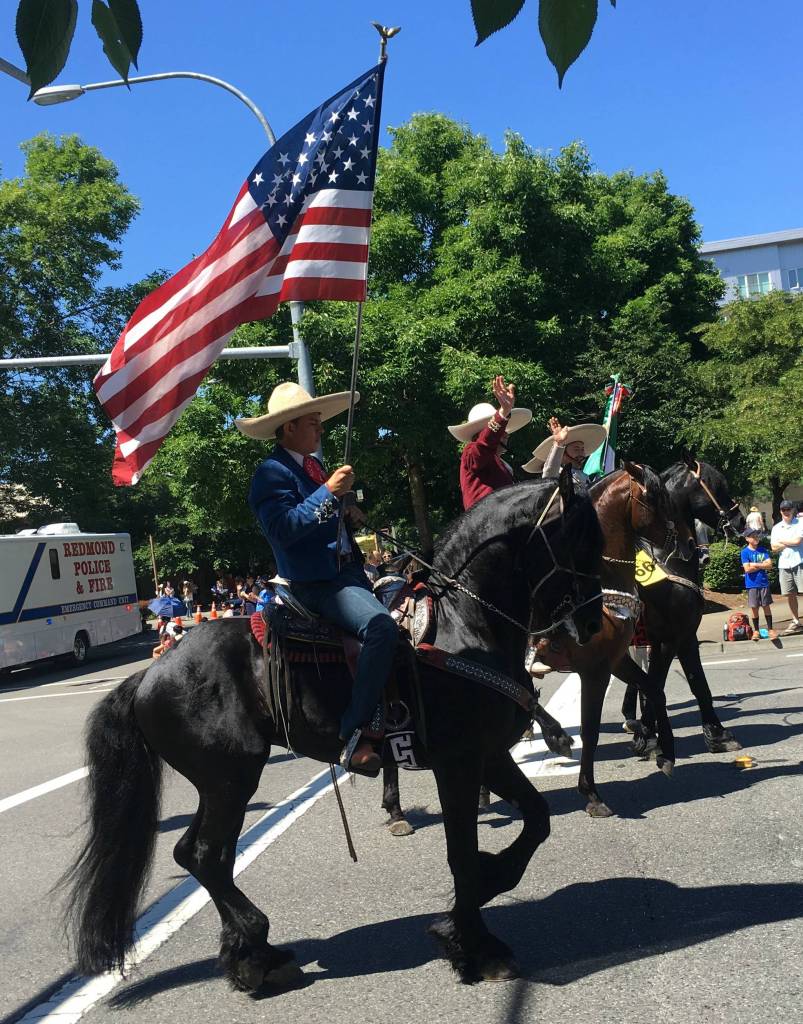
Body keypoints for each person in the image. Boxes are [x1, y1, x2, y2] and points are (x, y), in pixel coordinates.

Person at [236, 381, 398, 775]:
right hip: (317, 585)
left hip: (348, 572)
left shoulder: (310, 466)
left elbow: (321, 521)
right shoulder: (270, 473)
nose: (320, 429)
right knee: (381, 629)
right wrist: (327, 493)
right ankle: (355, 730)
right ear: (289, 427)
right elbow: (284, 529)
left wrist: (346, 511)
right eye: (312, 423)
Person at [448, 376, 532, 511]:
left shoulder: (501, 464)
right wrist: (503, 413)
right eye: (501, 430)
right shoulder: (471, 451)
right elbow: (483, 446)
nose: (506, 434)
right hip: (484, 528)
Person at [522, 417, 607, 487]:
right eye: (576, 449)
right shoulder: (558, 473)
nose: (581, 453)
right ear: (563, 453)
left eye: (582, 449)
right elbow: (550, 474)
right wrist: (560, 443)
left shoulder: (585, 477)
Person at [770, 499, 803, 635]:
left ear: (792, 510)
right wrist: (789, 543)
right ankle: (796, 621)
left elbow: (797, 541)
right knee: (790, 594)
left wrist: (782, 541)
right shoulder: (776, 527)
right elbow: (773, 547)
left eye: (788, 509)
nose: (786, 512)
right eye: (783, 510)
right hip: (784, 564)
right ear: (780, 511)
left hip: (799, 561)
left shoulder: (800, 523)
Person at [740, 528, 777, 640]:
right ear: (747, 539)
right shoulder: (744, 552)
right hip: (752, 584)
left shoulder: (763, 550)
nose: (756, 537)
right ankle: (756, 631)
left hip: (763, 583)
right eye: (753, 536)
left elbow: (769, 565)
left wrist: (755, 564)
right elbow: (747, 569)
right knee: (754, 608)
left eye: (757, 535)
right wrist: (762, 565)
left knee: (766, 606)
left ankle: (770, 629)